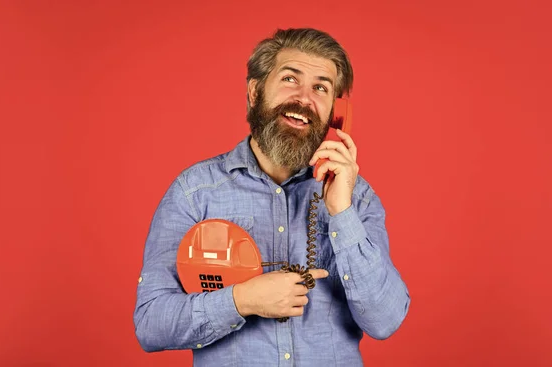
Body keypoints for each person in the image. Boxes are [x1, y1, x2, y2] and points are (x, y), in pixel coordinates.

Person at [134, 28, 410, 367]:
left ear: (336, 113)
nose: (305, 98)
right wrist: (242, 300)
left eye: (321, 88)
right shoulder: (194, 193)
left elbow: (385, 320)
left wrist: (341, 212)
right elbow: (151, 323)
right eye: (291, 79)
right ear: (255, 91)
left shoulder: (358, 198)